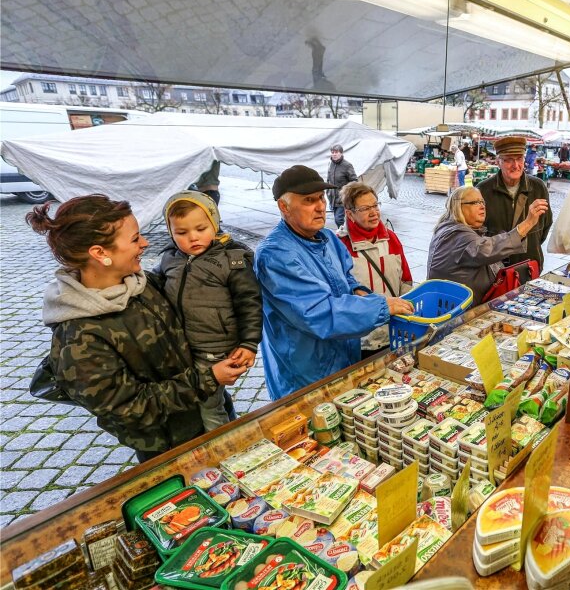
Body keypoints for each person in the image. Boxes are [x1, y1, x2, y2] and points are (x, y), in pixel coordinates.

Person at [27, 195, 247, 462]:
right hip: (170, 448)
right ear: (100, 253)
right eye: (134, 239)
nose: (145, 243)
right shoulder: (79, 336)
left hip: (211, 409)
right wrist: (209, 379)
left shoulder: (145, 284)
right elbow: (129, 406)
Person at [254, 165, 415, 400]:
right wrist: (381, 306)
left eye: (320, 198)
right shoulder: (276, 254)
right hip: (305, 373)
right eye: (309, 200)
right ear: (284, 207)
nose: (320, 206)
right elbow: (318, 313)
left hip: (343, 356)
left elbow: (347, 280)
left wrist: (360, 292)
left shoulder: (328, 238)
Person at [156, 191, 262, 432]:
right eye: (181, 233)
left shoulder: (231, 259)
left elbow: (250, 302)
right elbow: (154, 283)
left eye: (201, 229)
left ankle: (222, 447)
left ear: (214, 224)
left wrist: (248, 343)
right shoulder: (169, 258)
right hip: (183, 344)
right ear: (170, 232)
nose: (193, 237)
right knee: (208, 396)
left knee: (209, 405)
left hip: (214, 347)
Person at [427, 185, 549, 304]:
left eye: (482, 202)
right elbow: (485, 250)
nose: (482, 206)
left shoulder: (461, 230)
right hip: (452, 309)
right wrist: (527, 224)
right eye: (475, 202)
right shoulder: (454, 234)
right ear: (458, 206)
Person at [337, 182, 414, 359]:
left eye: (375, 205)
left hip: (395, 331)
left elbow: (406, 281)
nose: (374, 212)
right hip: (362, 339)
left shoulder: (391, 238)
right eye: (365, 208)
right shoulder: (339, 246)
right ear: (350, 214)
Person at [477, 136, 553, 270]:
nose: (516, 165)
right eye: (508, 160)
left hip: (529, 265)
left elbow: (546, 225)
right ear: (498, 162)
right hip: (495, 270)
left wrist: (531, 245)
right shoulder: (483, 190)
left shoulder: (538, 187)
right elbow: (478, 234)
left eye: (519, 159)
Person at [326, 144, 357, 228]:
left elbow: (354, 181)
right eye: (332, 152)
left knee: (338, 219)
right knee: (339, 219)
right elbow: (328, 179)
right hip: (332, 198)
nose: (334, 154)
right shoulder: (330, 164)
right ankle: (345, 232)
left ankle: (344, 235)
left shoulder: (347, 165)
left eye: (336, 152)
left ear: (341, 153)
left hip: (343, 198)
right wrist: (328, 192)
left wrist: (346, 193)